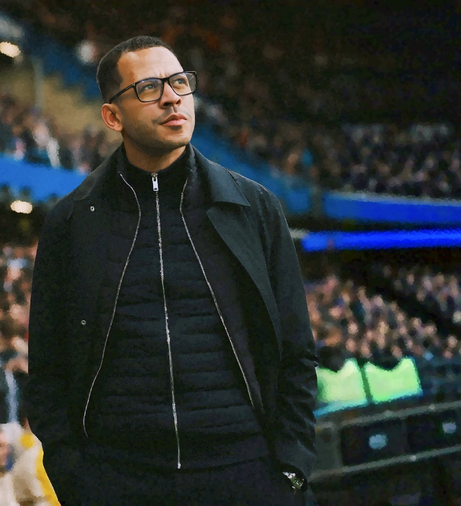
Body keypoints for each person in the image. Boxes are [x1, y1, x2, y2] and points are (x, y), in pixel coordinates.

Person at [28, 35, 318, 505]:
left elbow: (297, 350)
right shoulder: (71, 223)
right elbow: (47, 367)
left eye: (179, 82)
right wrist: (74, 476)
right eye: (148, 88)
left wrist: (290, 465)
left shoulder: (254, 208)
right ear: (113, 116)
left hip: (248, 472)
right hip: (121, 479)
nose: (171, 98)